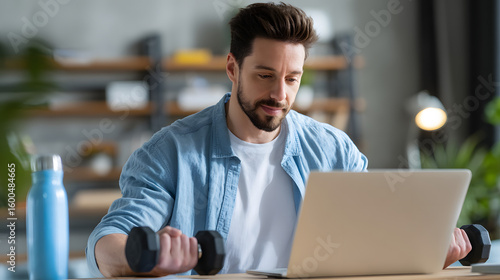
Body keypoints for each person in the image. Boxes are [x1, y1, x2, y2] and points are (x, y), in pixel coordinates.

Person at [86, 2, 471, 277]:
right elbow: (106, 245)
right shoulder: (169, 153)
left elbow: (373, 242)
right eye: (265, 76)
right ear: (233, 68)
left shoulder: (334, 149)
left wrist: (425, 251)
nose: (280, 95)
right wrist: (145, 259)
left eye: (292, 79)